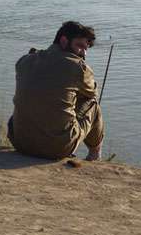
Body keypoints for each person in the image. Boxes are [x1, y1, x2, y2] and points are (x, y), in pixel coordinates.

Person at [8, 21, 104, 161]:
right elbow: (92, 92)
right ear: (64, 41)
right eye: (80, 46)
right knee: (92, 102)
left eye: (86, 48)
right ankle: (94, 155)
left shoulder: (24, 61)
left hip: (19, 142)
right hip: (57, 149)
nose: (83, 53)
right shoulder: (77, 67)